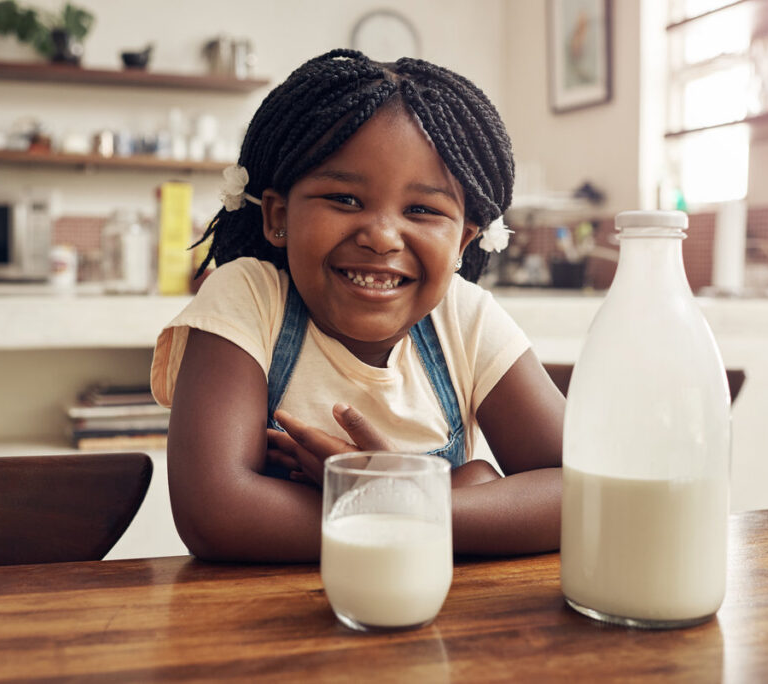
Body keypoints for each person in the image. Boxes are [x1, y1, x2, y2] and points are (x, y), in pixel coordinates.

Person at [151, 49, 564, 562]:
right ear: (278, 215)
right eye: (345, 199)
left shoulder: (466, 318)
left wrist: (404, 498)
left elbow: (588, 488)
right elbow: (215, 512)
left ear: (463, 242)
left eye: (421, 209)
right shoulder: (250, 297)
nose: (382, 236)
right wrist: (447, 499)